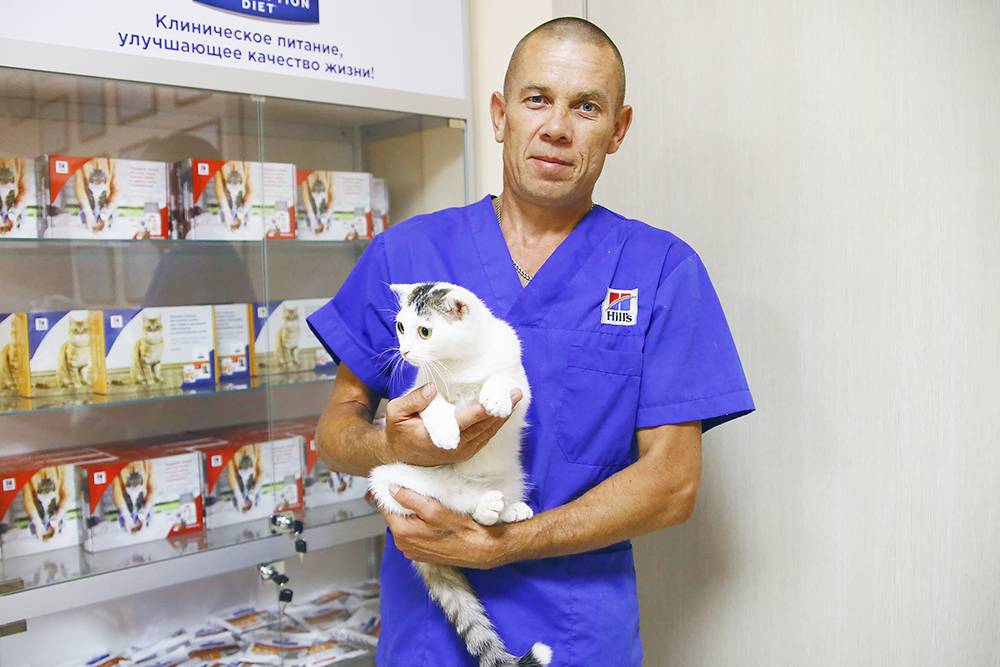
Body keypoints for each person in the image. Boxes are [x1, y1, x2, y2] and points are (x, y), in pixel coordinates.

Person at [307, 17, 755, 666]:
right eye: (537, 99)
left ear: (619, 129)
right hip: (429, 633)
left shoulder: (660, 270)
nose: (557, 127)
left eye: (587, 107)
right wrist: (389, 445)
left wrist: (507, 544)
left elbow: (673, 483)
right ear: (500, 114)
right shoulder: (407, 254)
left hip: (578, 637)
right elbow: (334, 433)